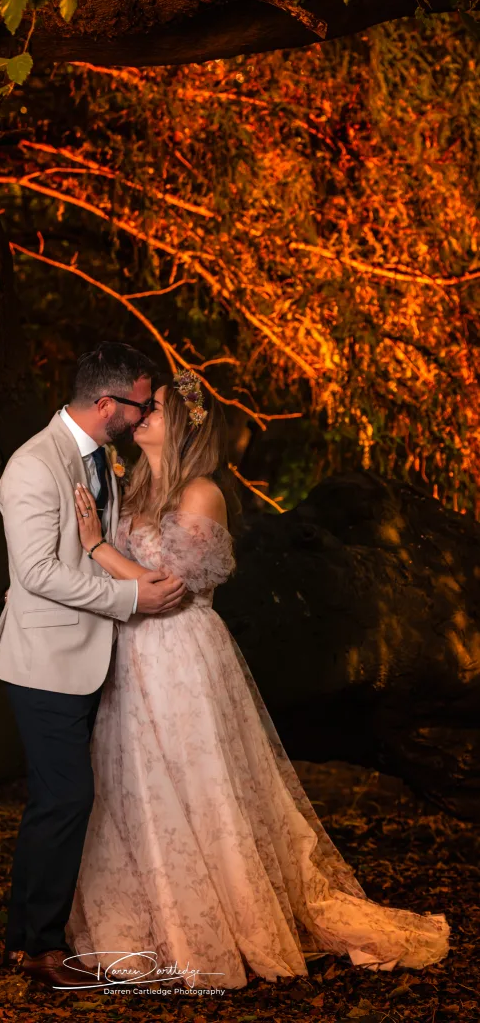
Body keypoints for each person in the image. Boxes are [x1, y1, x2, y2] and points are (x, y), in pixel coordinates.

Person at [64, 369, 451, 991]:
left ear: (187, 424)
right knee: (131, 783)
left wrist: (95, 547)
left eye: (155, 407)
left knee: (197, 785)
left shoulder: (200, 494)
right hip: (127, 656)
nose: (141, 413)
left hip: (180, 655)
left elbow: (166, 592)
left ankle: (218, 923)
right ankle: (146, 921)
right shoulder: (130, 487)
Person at [0, 343, 188, 990]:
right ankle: (38, 949)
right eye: (142, 404)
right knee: (65, 797)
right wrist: (132, 597)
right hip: (44, 660)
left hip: (90, 655)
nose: (147, 412)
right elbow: (37, 573)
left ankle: (28, 938)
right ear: (106, 405)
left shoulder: (99, 457)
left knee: (62, 799)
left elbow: (91, 546)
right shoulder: (34, 467)